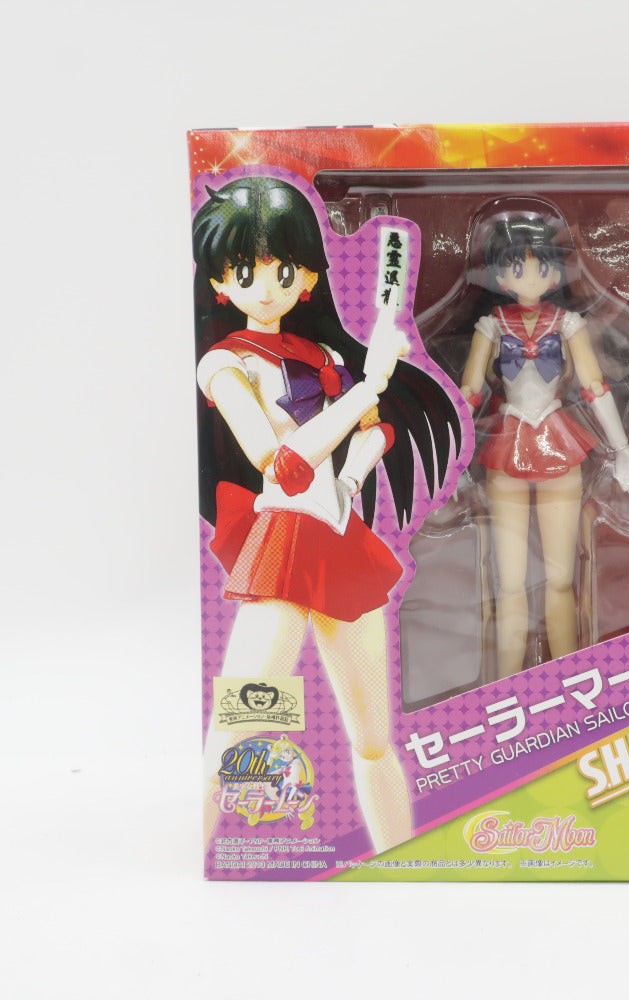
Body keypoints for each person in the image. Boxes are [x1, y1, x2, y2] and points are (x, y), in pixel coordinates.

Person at [193, 175, 460, 851]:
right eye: (245, 272)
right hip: (282, 543)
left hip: (340, 537)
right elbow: (278, 461)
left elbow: (374, 435)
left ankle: (399, 859)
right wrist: (368, 387)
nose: (266, 287)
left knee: (373, 740)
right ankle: (214, 855)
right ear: (220, 282)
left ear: (308, 277)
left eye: (282, 270)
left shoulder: (328, 357)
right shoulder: (224, 363)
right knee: (239, 727)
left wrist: (354, 466)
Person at [460, 216, 629, 676]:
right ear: (499, 277)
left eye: (541, 267)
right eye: (516, 268)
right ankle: (504, 687)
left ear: (555, 275)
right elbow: (467, 394)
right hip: (507, 444)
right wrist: (450, 457)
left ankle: (568, 679)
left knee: (561, 579)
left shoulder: (569, 324)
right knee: (508, 583)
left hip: (557, 441)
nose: (530, 277)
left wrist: (622, 450)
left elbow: (595, 388)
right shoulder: (490, 326)